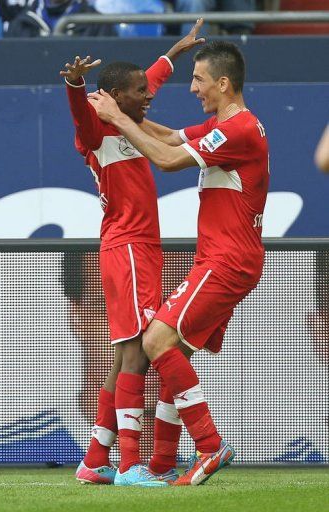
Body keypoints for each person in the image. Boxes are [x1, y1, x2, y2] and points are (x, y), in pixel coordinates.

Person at [88, 39, 270, 486]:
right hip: (221, 257)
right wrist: (129, 116)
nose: (192, 88)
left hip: (227, 260)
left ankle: (210, 446)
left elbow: (167, 159)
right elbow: (169, 137)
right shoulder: (225, 126)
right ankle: (163, 462)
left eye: (199, 80)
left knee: (154, 341)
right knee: (176, 351)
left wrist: (116, 118)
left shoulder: (239, 130)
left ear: (223, 83)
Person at [60, 20, 205, 487]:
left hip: (140, 249)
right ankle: (128, 465)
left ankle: (94, 460)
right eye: (138, 91)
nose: (149, 95)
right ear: (113, 97)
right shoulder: (97, 131)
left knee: (124, 359)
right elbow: (82, 114)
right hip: (127, 249)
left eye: (147, 88)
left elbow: (150, 78)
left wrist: (174, 53)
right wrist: (76, 84)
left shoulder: (131, 120)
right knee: (137, 355)